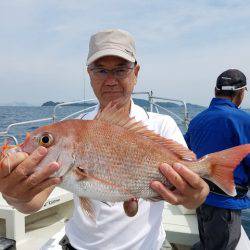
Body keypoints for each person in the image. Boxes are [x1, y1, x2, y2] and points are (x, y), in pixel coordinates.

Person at [0, 29, 209, 250]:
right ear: (89, 74)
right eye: (100, 70)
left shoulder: (162, 125)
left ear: (135, 73)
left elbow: (192, 195)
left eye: (120, 70)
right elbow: (33, 202)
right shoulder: (77, 125)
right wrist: (14, 196)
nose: (110, 81)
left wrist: (198, 194)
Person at [185, 69, 250, 250]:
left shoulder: (197, 120)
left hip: (201, 197)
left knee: (207, 242)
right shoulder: (245, 120)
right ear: (240, 92)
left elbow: (184, 152)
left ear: (216, 90)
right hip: (226, 204)